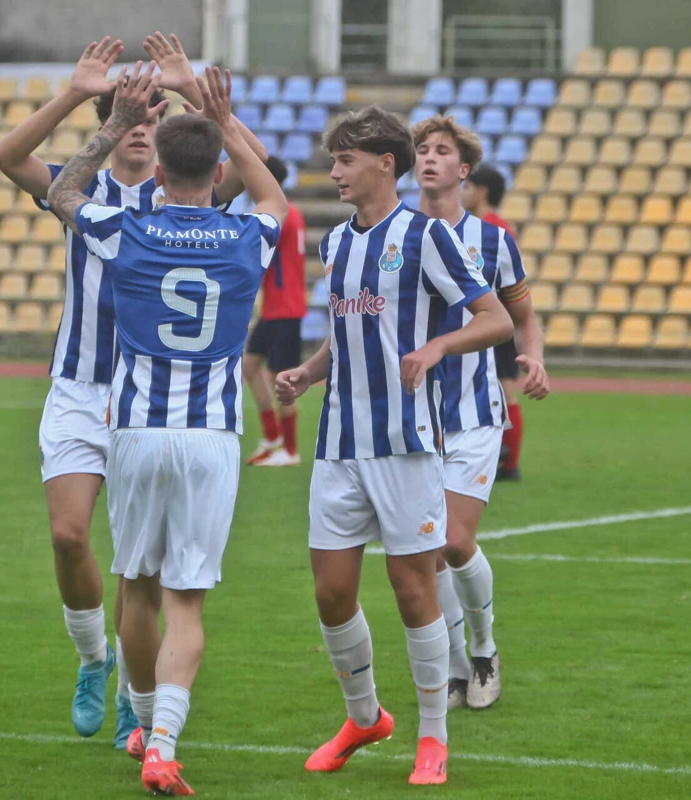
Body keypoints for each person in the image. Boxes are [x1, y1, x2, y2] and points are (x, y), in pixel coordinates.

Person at [0, 33, 266, 745]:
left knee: (133, 560)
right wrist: (79, 92)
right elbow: (7, 158)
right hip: (85, 385)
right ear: (111, 132)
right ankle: (94, 659)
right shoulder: (90, 190)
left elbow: (251, 166)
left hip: (150, 401)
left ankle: (133, 700)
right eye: (129, 120)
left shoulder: (184, 190)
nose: (141, 131)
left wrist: (203, 106)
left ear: (166, 139)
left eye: (151, 122)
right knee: (69, 534)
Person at [49, 63, 286, 796]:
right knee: (188, 600)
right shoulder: (247, 236)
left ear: (158, 177)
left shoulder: (129, 229)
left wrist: (116, 123)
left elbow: (63, 192)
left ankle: (141, 724)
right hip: (212, 437)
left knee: (138, 588)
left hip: (138, 434)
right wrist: (224, 115)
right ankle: (164, 745)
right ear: (218, 171)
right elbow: (274, 191)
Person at [275, 105, 514, 786]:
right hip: (338, 447)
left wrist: (438, 343)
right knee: (330, 594)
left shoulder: (426, 237)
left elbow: (493, 318)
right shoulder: (338, 243)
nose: (334, 171)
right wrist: (309, 373)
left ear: (385, 163)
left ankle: (433, 738)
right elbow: (349, 339)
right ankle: (364, 717)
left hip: (406, 446)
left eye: (345, 160)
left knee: (414, 591)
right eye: (333, 159)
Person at [413, 116, 550, 710]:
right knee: (426, 548)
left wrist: (533, 358)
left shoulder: (493, 240)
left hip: (472, 412)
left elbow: (523, 314)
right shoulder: (396, 235)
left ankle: (485, 647)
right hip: (413, 416)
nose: (429, 158)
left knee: (454, 540)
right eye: (421, 150)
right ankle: (450, 668)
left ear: (463, 170)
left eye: (442, 151)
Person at [244, 155, 308, 467]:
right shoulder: (289, 212)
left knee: (281, 378)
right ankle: (273, 436)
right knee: (251, 366)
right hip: (276, 307)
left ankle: (291, 450)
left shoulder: (279, 215)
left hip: (284, 308)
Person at [462, 164, 524, 480]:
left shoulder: (493, 231)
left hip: (495, 321)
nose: (463, 193)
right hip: (486, 320)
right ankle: (502, 459)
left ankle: (509, 463)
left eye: (467, 187)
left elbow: (508, 280)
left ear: (481, 191)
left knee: (504, 391)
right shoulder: (481, 226)